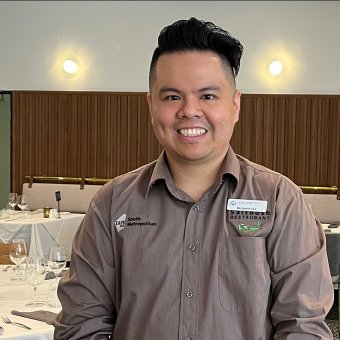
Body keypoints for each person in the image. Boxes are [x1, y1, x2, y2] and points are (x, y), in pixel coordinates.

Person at [54, 17, 334, 339]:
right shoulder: (112, 203)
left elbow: (304, 327)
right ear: (151, 106)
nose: (189, 110)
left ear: (235, 104)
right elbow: (81, 324)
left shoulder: (280, 200)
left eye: (208, 96)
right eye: (172, 97)